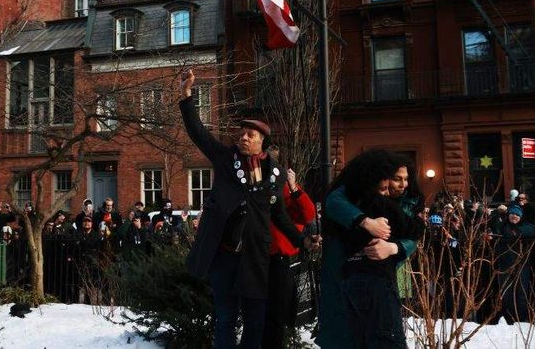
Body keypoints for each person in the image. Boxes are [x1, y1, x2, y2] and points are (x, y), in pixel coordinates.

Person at [178, 69, 320, 349]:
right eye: (241, 133)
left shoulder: (275, 173)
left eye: (250, 135)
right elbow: (199, 133)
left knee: (255, 322)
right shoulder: (224, 158)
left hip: (256, 258)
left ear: (261, 141)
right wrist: (186, 97)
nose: (243, 138)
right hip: (224, 256)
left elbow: (278, 214)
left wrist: (301, 240)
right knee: (225, 319)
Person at [317, 151, 422, 348]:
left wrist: (393, 247)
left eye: (406, 179)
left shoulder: (404, 202)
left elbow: (412, 236)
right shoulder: (358, 195)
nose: (403, 184)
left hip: (378, 278)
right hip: (351, 279)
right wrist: (365, 222)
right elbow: (334, 202)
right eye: (396, 179)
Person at [262, 156, 316, 349]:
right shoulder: (253, 184)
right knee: (259, 315)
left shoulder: (284, 187)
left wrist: (293, 187)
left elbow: (308, 214)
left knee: (276, 315)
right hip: (256, 255)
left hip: (281, 257)